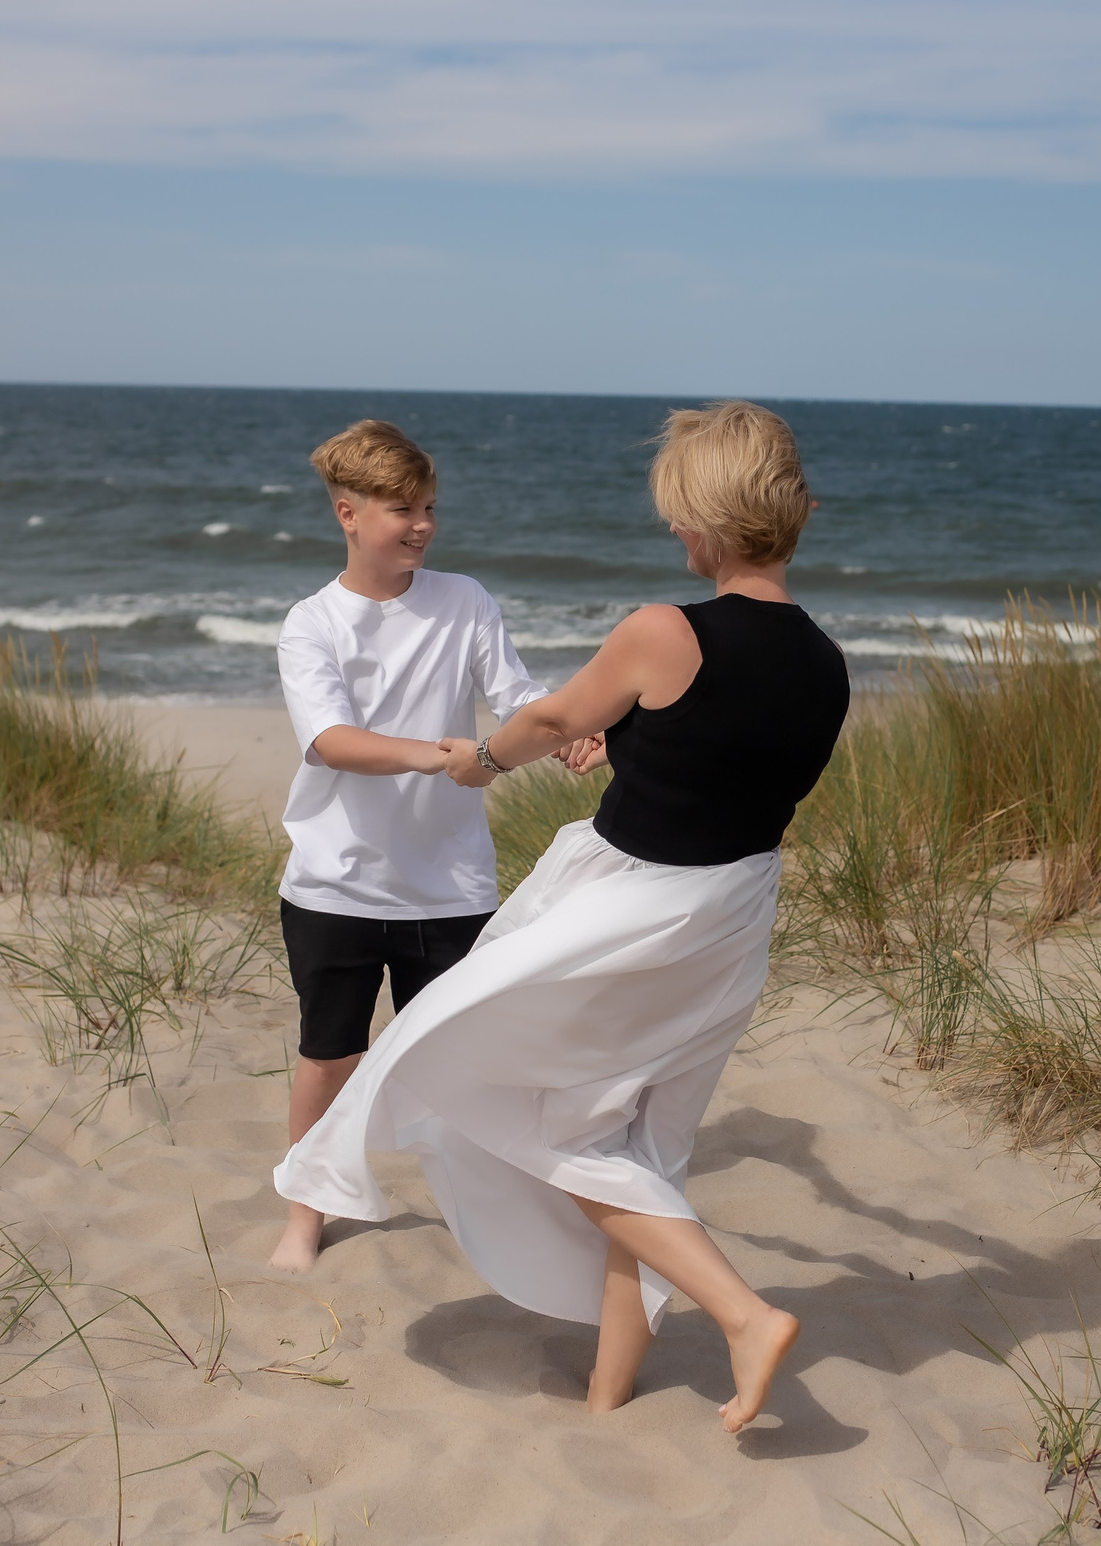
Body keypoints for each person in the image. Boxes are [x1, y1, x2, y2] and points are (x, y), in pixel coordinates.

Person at [276, 400, 851, 1432]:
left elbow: (547, 717)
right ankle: (607, 1391)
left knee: (499, 1093)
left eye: (678, 519)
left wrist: (485, 761)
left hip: (637, 907)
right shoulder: (825, 662)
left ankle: (740, 1313)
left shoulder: (662, 630)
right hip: (733, 922)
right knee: (644, 1154)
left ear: (705, 523)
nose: (673, 537)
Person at [266, 419, 547, 1273]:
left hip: (452, 886)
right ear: (348, 513)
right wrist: (442, 755)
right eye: (401, 508)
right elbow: (332, 742)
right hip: (335, 887)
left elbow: (517, 692)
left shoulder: (465, 600)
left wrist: (567, 731)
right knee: (329, 1057)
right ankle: (306, 1215)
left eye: (429, 506)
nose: (421, 523)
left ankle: (484, 1214)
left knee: (461, 1061)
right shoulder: (311, 623)